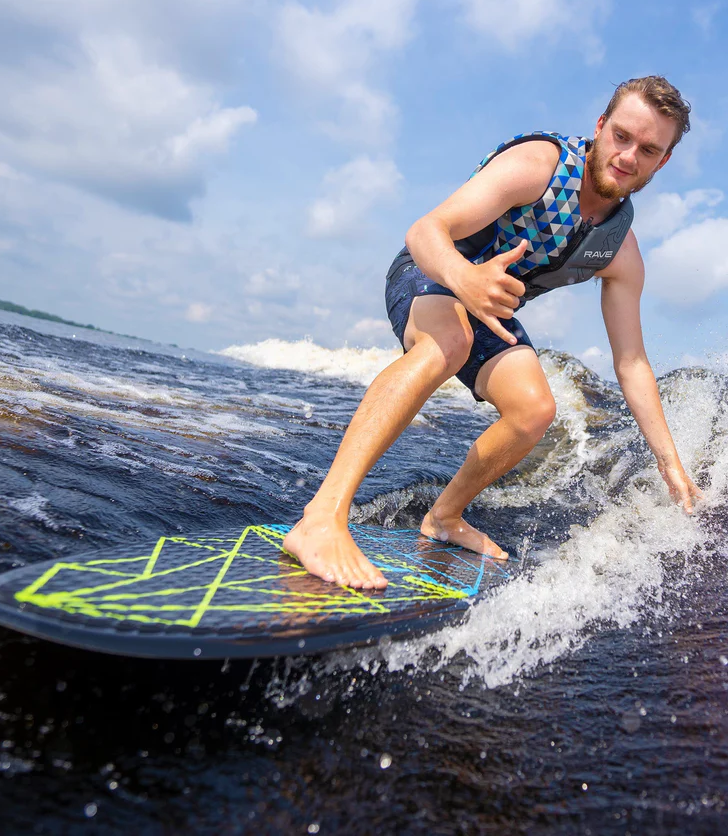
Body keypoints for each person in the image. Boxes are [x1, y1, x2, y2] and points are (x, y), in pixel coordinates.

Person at [284, 76, 702, 590]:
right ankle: (321, 518)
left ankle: (444, 517)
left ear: (662, 162)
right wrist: (466, 279)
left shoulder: (619, 252)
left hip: (486, 308)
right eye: (621, 136)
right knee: (451, 340)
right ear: (600, 126)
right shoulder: (539, 166)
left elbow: (632, 363)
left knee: (534, 411)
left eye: (648, 149)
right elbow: (424, 231)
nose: (628, 156)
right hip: (432, 271)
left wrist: (672, 467)